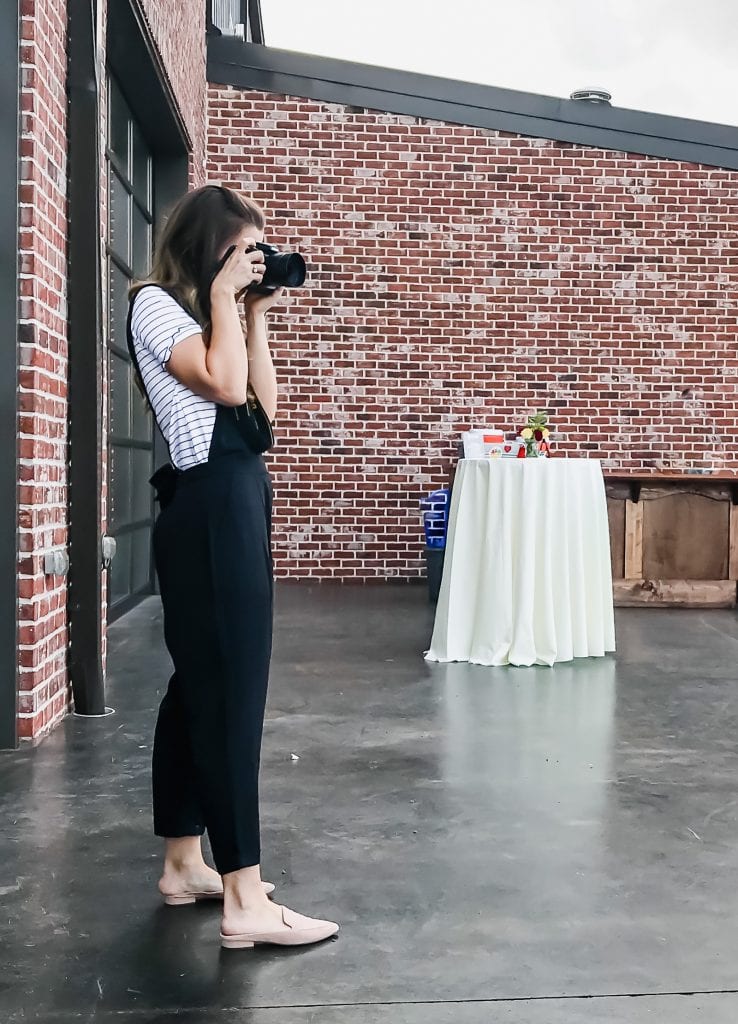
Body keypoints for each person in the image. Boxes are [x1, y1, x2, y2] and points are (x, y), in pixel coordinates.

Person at [127, 184, 338, 950]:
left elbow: (260, 414)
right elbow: (218, 384)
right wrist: (221, 300)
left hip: (239, 497)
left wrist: (253, 313)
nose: (250, 262)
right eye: (240, 249)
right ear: (207, 246)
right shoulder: (156, 304)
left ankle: (184, 863)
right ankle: (245, 898)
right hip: (208, 506)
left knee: (201, 689)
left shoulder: (217, 315)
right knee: (231, 695)